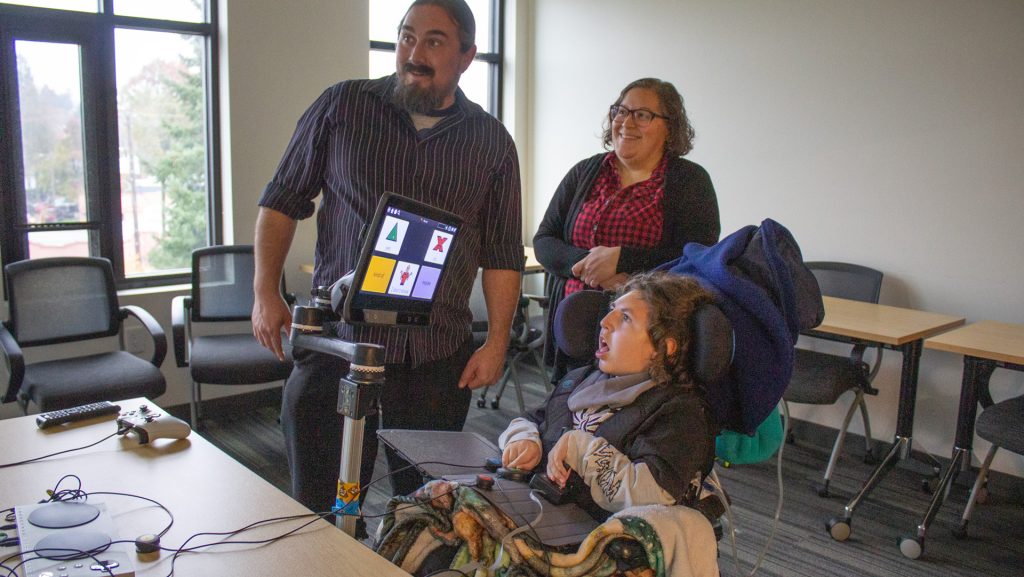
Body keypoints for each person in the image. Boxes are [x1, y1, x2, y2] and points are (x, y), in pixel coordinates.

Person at [252, 0, 523, 516]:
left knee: (423, 513)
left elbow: (503, 251)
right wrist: (265, 292)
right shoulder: (343, 106)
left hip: (434, 360)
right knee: (318, 506)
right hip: (337, 346)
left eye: (434, 41)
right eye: (406, 37)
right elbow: (282, 201)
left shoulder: (491, 142)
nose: (414, 54)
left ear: (467, 56)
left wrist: (498, 341)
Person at [533, 78, 721, 378]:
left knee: (629, 417)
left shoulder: (690, 181)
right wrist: (591, 265)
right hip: (576, 327)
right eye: (620, 111)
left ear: (670, 127)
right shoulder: (585, 172)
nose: (626, 122)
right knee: (568, 410)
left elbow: (698, 256)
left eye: (642, 115)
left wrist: (623, 262)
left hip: (645, 338)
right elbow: (544, 240)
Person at [498, 271, 719, 517]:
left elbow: (653, 494)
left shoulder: (678, 412)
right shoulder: (582, 379)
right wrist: (523, 439)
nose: (605, 321)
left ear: (663, 348)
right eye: (612, 309)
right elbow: (533, 419)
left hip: (597, 536)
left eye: (625, 317)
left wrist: (581, 449)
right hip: (540, 509)